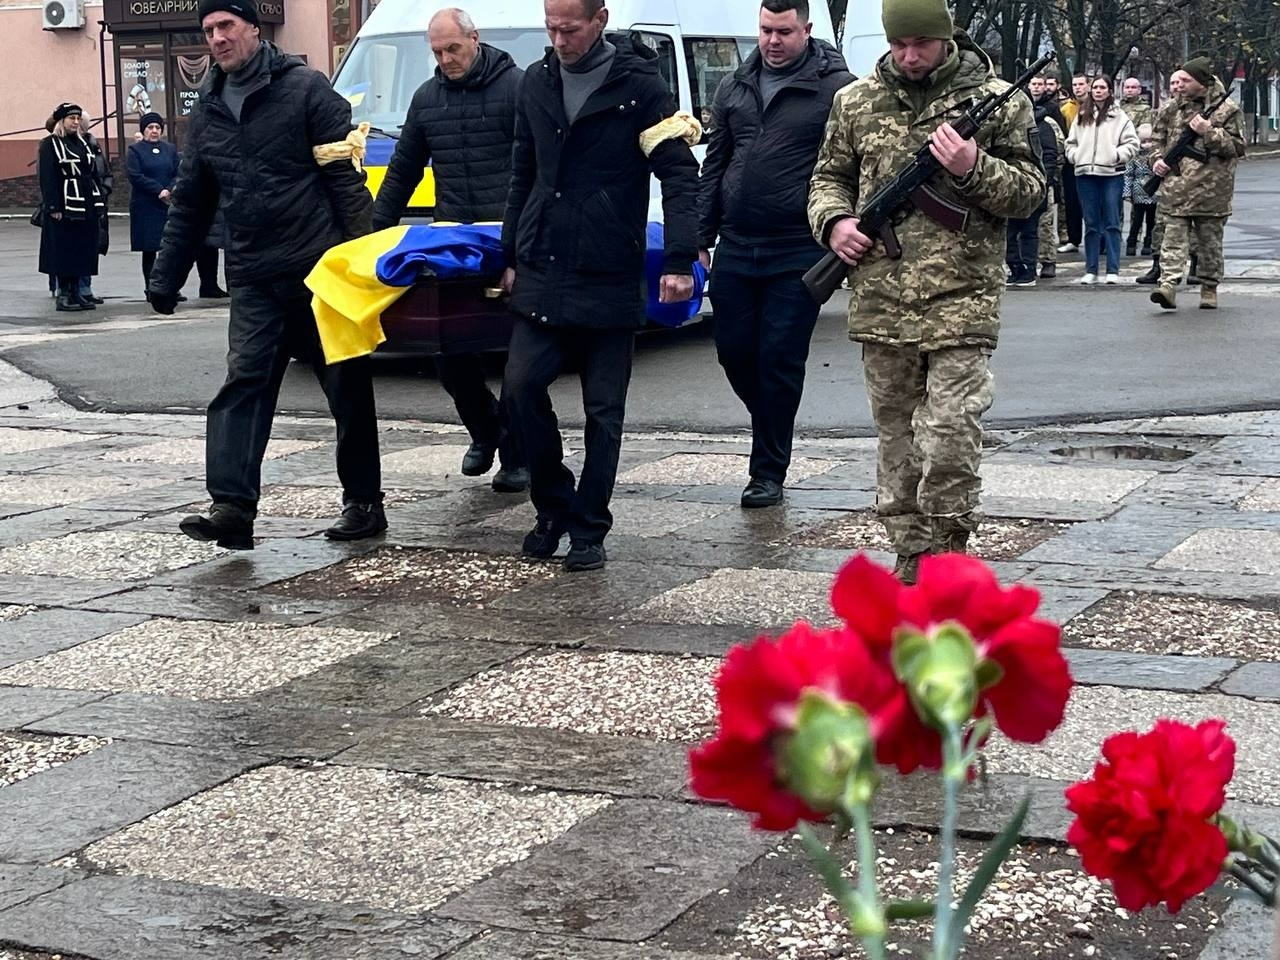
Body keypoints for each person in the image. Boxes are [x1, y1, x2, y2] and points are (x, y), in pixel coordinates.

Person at [807, 0, 1044, 584]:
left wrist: (971, 166)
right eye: (899, 45)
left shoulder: (998, 101)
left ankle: (949, 543)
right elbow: (827, 178)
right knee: (897, 437)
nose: (910, 57)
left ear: (946, 38)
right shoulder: (855, 101)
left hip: (963, 296)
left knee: (951, 430)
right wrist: (835, 222)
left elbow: (1032, 193)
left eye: (923, 44)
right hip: (881, 298)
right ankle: (911, 551)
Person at [148, 0, 386, 548]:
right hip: (254, 274)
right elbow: (191, 200)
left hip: (317, 271)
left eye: (226, 26)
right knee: (243, 384)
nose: (217, 38)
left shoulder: (305, 89)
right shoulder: (207, 107)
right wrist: (167, 276)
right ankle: (232, 507)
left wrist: (366, 261)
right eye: (208, 30)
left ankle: (364, 502)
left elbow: (345, 183)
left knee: (347, 389)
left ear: (253, 28)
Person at [500, 0, 700, 571]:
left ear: (600, 19)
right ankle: (552, 504)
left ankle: (589, 528)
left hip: (609, 269)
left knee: (602, 412)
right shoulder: (535, 82)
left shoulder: (640, 86)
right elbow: (522, 170)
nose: (559, 40)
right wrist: (509, 253)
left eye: (570, 28)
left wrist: (680, 259)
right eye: (551, 28)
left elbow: (680, 174)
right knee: (518, 390)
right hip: (543, 266)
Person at [696, 0, 853, 508]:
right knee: (734, 351)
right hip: (738, 243)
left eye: (784, 31)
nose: (773, 41)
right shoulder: (734, 85)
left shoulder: (837, 88)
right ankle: (770, 424)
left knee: (779, 358)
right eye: (765, 30)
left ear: (806, 29)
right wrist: (697, 238)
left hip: (798, 247)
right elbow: (714, 165)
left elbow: (850, 166)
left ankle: (767, 469)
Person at [371, 6, 528, 494]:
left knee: (520, 361)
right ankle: (487, 431)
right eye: (437, 52)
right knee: (447, 354)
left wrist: (521, 254)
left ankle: (519, 455)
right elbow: (403, 169)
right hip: (455, 243)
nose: (445, 59)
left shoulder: (518, 88)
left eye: (452, 49)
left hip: (508, 237)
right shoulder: (427, 97)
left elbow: (538, 171)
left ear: (474, 39)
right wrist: (374, 236)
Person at [1149, 55, 1244, 311]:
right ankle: (1167, 285)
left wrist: (1208, 132)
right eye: (1177, 80)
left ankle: (1209, 287)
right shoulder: (1171, 108)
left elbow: (1237, 147)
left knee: (1209, 243)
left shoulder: (1227, 109)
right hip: (1176, 187)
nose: (1179, 85)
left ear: (1201, 83)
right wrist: (1156, 160)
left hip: (1212, 190)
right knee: (1172, 239)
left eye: (1185, 80)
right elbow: (1155, 141)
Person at [1066, 75, 1138, 285]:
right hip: (1085, 175)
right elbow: (1070, 143)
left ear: (1109, 90)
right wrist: (1076, 156)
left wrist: (1116, 155)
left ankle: (1113, 269)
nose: (1098, 91)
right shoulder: (1082, 114)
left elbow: (1132, 143)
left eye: (1102, 87)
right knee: (1091, 223)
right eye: (1095, 87)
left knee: (1112, 222)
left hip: (1111, 175)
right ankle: (1091, 269)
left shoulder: (1119, 116)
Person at [37, 103, 105, 313]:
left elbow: (93, 170)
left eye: (78, 118)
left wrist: (99, 199)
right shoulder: (50, 144)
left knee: (83, 248)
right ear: (61, 121)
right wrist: (53, 205)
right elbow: (48, 177)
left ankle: (77, 291)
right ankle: (64, 294)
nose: (76, 122)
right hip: (65, 203)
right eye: (71, 119)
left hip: (86, 201)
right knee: (64, 249)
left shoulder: (83, 142)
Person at [1008, 75, 1058, 286]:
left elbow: (1050, 155)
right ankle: (1014, 267)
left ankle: (1028, 270)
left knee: (1029, 230)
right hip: (1012, 184)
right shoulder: (1010, 126)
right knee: (1010, 231)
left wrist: (1043, 182)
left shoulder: (1042, 127)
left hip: (1035, 184)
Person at [128, 112, 180, 300]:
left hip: (167, 204)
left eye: (157, 127)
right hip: (146, 205)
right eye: (150, 128)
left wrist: (169, 189)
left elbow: (177, 172)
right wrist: (158, 190)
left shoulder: (169, 149)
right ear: (144, 130)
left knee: (170, 248)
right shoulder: (135, 151)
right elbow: (135, 175)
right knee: (150, 249)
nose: (154, 131)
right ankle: (151, 287)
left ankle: (170, 286)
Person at [1120, 77, 1155, 256]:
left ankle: (1144, 239)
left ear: (1139, 89)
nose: (1130, 90)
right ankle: (1127, 238)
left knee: (1146, 215)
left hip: (1136, 150)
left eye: (1134, 87)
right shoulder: (1118, 108)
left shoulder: (1146, 110)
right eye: (1127, 87)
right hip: (1119, 154)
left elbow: (1146, 131)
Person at [1056, 73, 1089, 253]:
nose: (1078, 88)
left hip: (1093, 158)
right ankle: (1073, 239)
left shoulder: (1097, 106)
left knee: (1092, 201)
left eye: (1081, 84)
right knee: (1071, 200)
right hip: (1072, 158)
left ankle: (1098, 240)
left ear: (1088, 86)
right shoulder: (1066, 109)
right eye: (1075, 85)